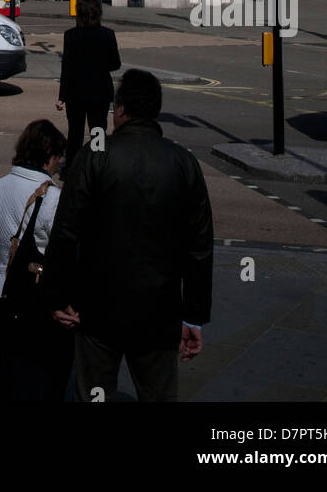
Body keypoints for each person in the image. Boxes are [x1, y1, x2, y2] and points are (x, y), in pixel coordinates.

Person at [44, 68, 213, 403]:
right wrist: (193, 315)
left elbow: (66, 232)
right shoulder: (183, 162)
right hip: (159, 312)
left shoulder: (94, 154)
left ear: (120, 109)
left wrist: (56, 296)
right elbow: (200, 247)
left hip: (96, 309)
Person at [0, 119, 73, 402]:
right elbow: (63, 255)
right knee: (46, 377)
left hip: (4, 292)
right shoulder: (53, 198)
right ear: (48, 154)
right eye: (58, 157)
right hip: (38, 297)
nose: (58, 165)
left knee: (11, 373)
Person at [56, 0, 121, 170]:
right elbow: (116, 64)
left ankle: (71, 168)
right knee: (98, 130)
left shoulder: (71, 35)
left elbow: (67, 68)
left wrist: (62, 96)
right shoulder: (108, 34)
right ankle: (97, 166)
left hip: (75, 92)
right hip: (99, 90)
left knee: (75, 133)